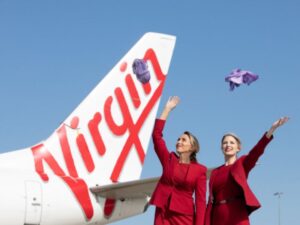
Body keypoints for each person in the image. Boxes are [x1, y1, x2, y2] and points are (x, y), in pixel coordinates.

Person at [205, 117, 289, 225]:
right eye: (225, 143)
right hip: (217, 217)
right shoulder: (215, 172)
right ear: (221, 147)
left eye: (232, 142)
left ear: (238, 148)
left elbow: (256, 152)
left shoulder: (242, 163)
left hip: (237, 215)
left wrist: (271, 130)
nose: (228, 145)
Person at [150, 96, 207, 225]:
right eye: (178, 139)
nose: (179, 142)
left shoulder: (200, 170)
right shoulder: (168, 159)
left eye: (183, 140)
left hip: (184, 217)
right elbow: (156, 136)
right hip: (163, 211)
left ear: (192, 147)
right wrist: (167, 109)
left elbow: (200, 201)